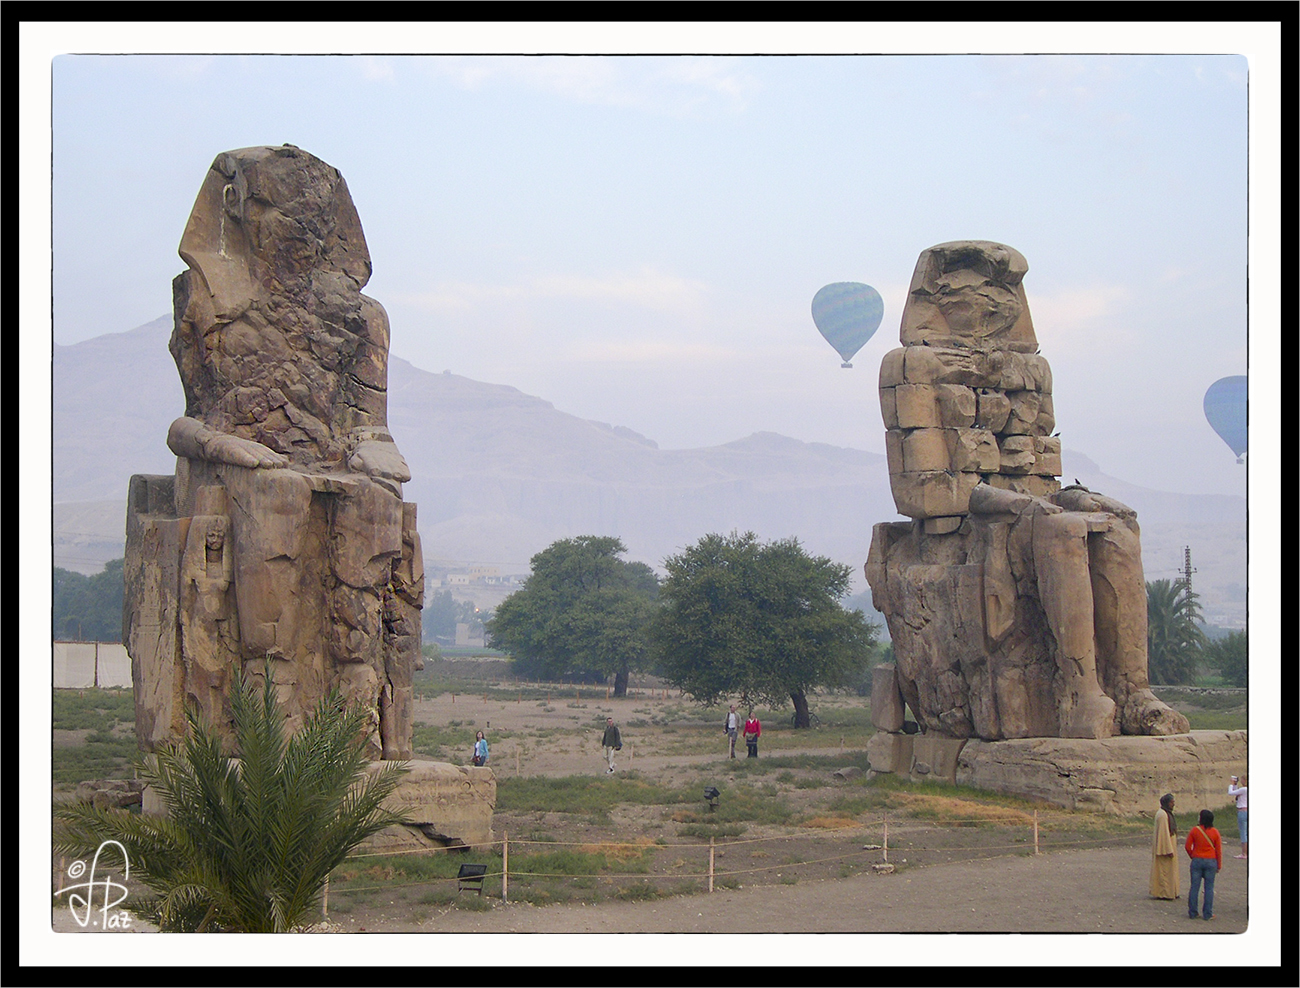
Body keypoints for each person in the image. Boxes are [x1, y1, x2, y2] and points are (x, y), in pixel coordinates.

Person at [1185, 808, 1223, 920]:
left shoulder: (1195, 830)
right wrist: (1219, 865)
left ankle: (1193, 912)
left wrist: (1193, 855)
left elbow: (1187, 846)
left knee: (1194, 887)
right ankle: (1208, 914)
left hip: (1197, 860)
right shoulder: (1215, 832)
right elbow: (1218, 851)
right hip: (1211, 861)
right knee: (1209, 888)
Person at [1149, 793, 1179, 900]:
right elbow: (1163, 834)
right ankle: (1164, 892)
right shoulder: (1162, 815)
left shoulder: (1166, 813)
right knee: (1164, 871)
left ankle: (1171, 891)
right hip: (1165, 848)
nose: (1173, 804)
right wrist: (1168, 849)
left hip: (1170, 844)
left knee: (1170, 870)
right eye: (1172, 802)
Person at [1227, 775, 1248, 859]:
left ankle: (1244, 853)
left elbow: (1230, 792)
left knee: (1243, 833)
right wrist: (1235, 785)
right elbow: (1236, 791)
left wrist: (1231, 784)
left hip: (1242, 811)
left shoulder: (1244, 789)